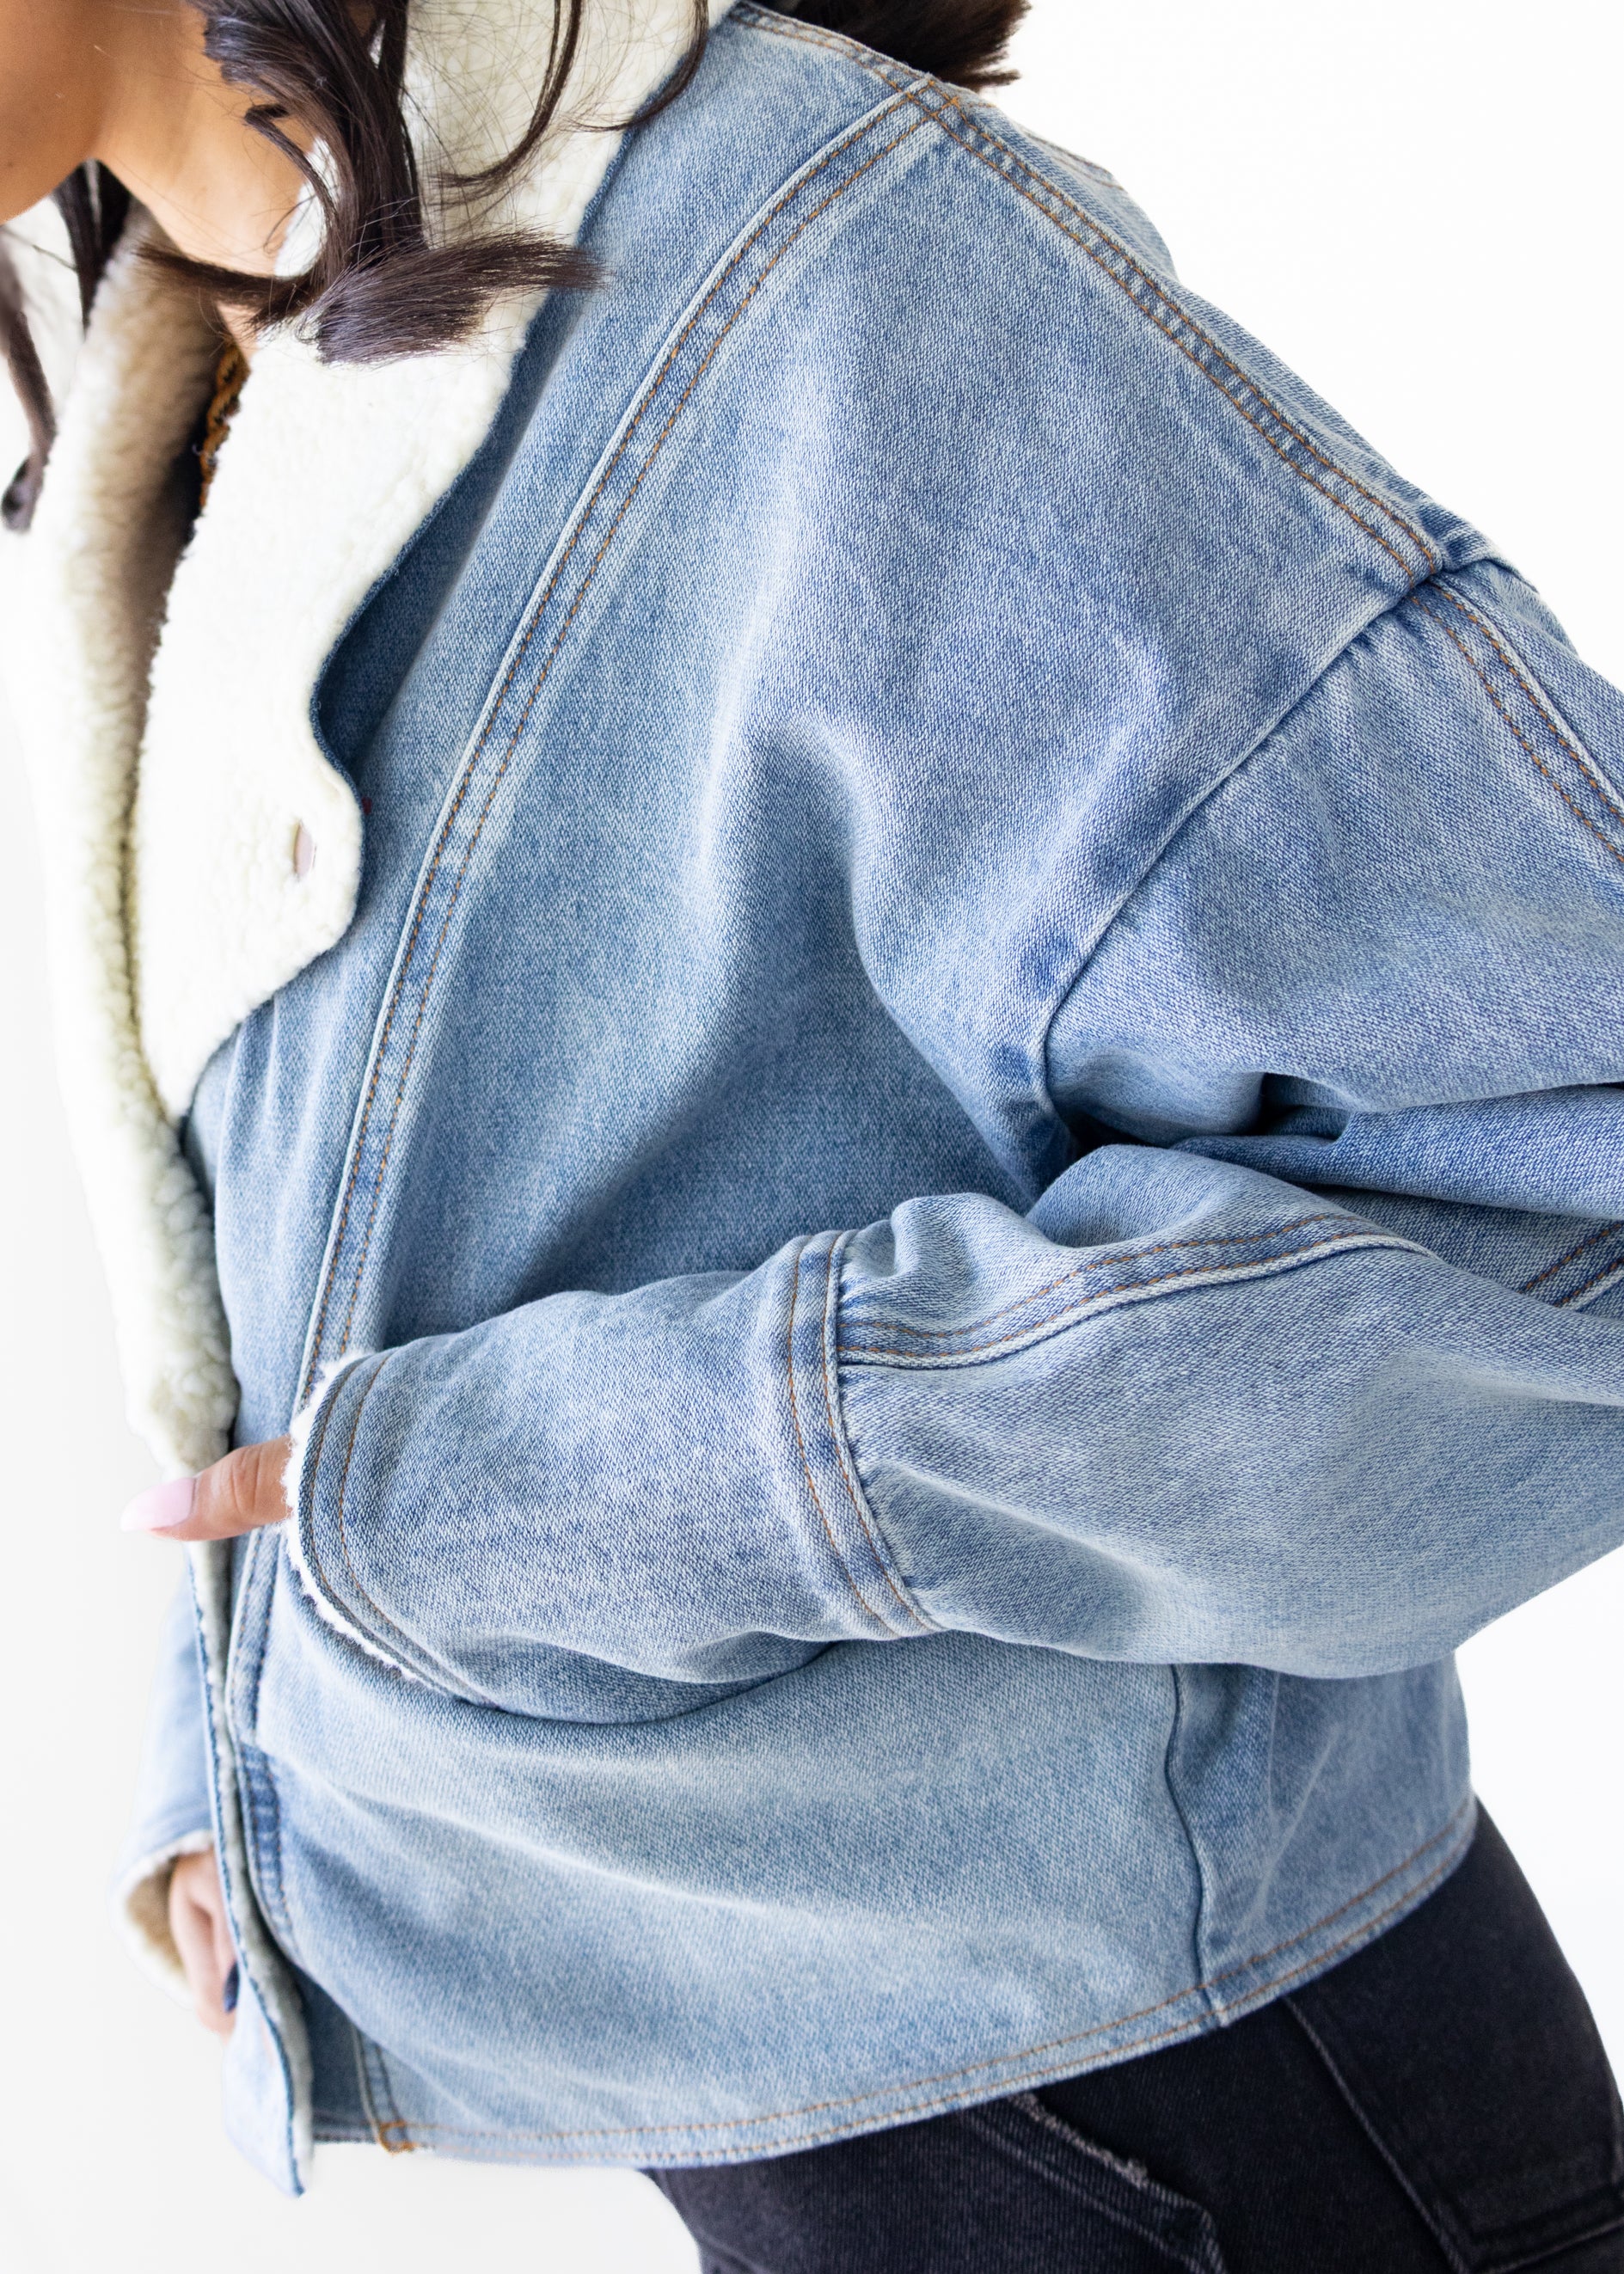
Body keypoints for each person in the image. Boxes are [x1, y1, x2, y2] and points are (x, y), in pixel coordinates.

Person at [3, 2, 1622, 2265]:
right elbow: (389, 1169)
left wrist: (513, 1501)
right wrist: (257, 1748)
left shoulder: (819, 272)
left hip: (1187, 2123)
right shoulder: (206, 360)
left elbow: (1571, 1136)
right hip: (846, 2107)